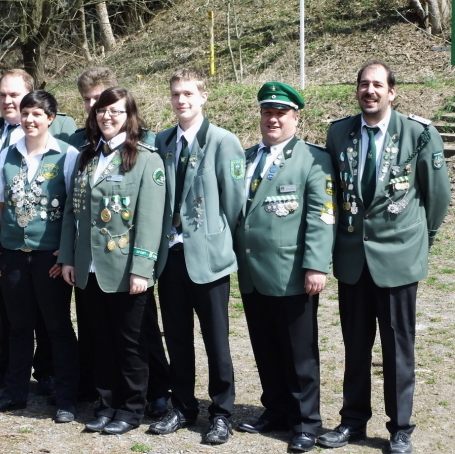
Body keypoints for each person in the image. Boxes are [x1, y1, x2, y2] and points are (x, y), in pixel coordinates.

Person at [319, 61, 451, 454]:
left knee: (398, 350)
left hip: (398, 258)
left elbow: (437, 195)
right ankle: (352, 421)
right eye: (364, 84)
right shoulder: (339, 132)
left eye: (378, 85)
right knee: (355, 348)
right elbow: (335, 192)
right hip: (353, 260)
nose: (370, 91)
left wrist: (422, 240)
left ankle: (400, 428)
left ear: (392, 92)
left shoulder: (418, 133)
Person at [234, 82, 336, 452]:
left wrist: (316, 265)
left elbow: (322, 215)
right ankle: (276, 409)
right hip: (252, 272)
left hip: (293, 273)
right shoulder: (245, 157)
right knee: (265, 347)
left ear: (295, 118)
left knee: (299, 354)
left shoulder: (313, 159)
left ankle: (306, 422)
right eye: (267, 112)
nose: (273, 119)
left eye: (280, 113)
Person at [58, 87, 166, 435]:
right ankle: (106, 405)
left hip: (124, 269)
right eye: (102, 110)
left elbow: (150, 221)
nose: (107, 116)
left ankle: (132, 409)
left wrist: (142, 269)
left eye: (116, 111)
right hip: (88, 267)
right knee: (100, 342)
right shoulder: (87, 156)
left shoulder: (146, 159)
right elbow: (73, 213)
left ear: (129, 117)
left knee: (130, 345)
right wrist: (68, 258)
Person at [149, 68, 245, 445]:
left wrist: (223, 245)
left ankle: (222, 413)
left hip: (208, 257)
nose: (181, 100)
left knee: (216, 340)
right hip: (171, 255)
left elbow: (234, 204)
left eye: (188, 93)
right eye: (176, 94)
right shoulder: (162, 141)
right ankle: (183, 406)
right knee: (177, 337)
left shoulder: (223, 141)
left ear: (203, 96)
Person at [0, 90, 80, 422]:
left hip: (49, 258)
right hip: (12, 254)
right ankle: (14, 394)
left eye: (37, 114)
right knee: (19, 327)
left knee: (57, 327)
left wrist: (67, 251)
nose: (29, 119)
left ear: (50, 118)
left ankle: (66, 399)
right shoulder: (8, 154)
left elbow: (75, 208)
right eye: (25, 113)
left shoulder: (67, 155)